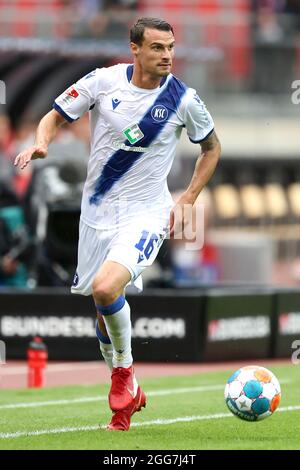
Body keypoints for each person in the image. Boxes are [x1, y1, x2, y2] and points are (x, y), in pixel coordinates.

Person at [14, 17, 221, 431]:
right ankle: (129, 396)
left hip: (146, 213)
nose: (167, 56)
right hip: (96, 214)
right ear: (135, 48)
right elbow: (54, 115)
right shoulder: (103, 82)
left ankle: (124, 372)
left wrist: (189, 197)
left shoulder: (184, 99)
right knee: (101, 305)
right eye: (158, 48)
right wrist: (42, 142)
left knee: (107, 288)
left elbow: (212, 148)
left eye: (171, 48)